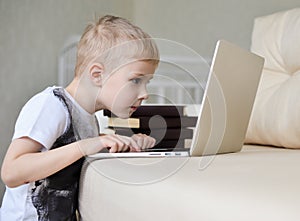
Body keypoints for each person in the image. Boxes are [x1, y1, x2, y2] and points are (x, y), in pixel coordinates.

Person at [0, 15, 159, 220]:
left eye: (148, 82)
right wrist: (87, 145)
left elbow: (78, 148)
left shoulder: (88, 118)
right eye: (136, 80)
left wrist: (127, 143)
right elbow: (11, 172)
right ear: (97, 75)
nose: (145, 93)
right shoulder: (52, 106)